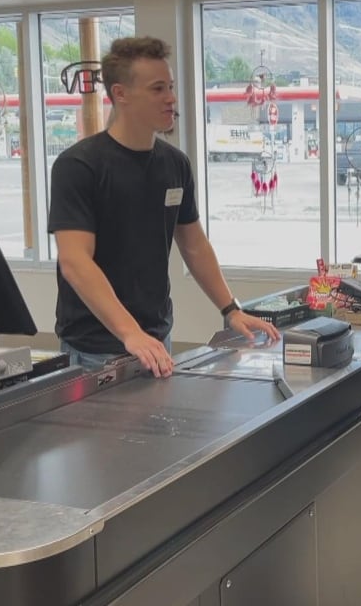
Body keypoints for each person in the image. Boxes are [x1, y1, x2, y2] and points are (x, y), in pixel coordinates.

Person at [47, 36, 280, 375]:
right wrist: (130, 334)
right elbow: (74, 262)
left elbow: (194, 244)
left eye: (170, 86)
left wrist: (230, 309)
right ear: (120, 94)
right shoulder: (79, 166)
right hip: (96, 349)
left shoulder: (175, 165)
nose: (171, 98)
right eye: (158, 89)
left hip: (155, 339)